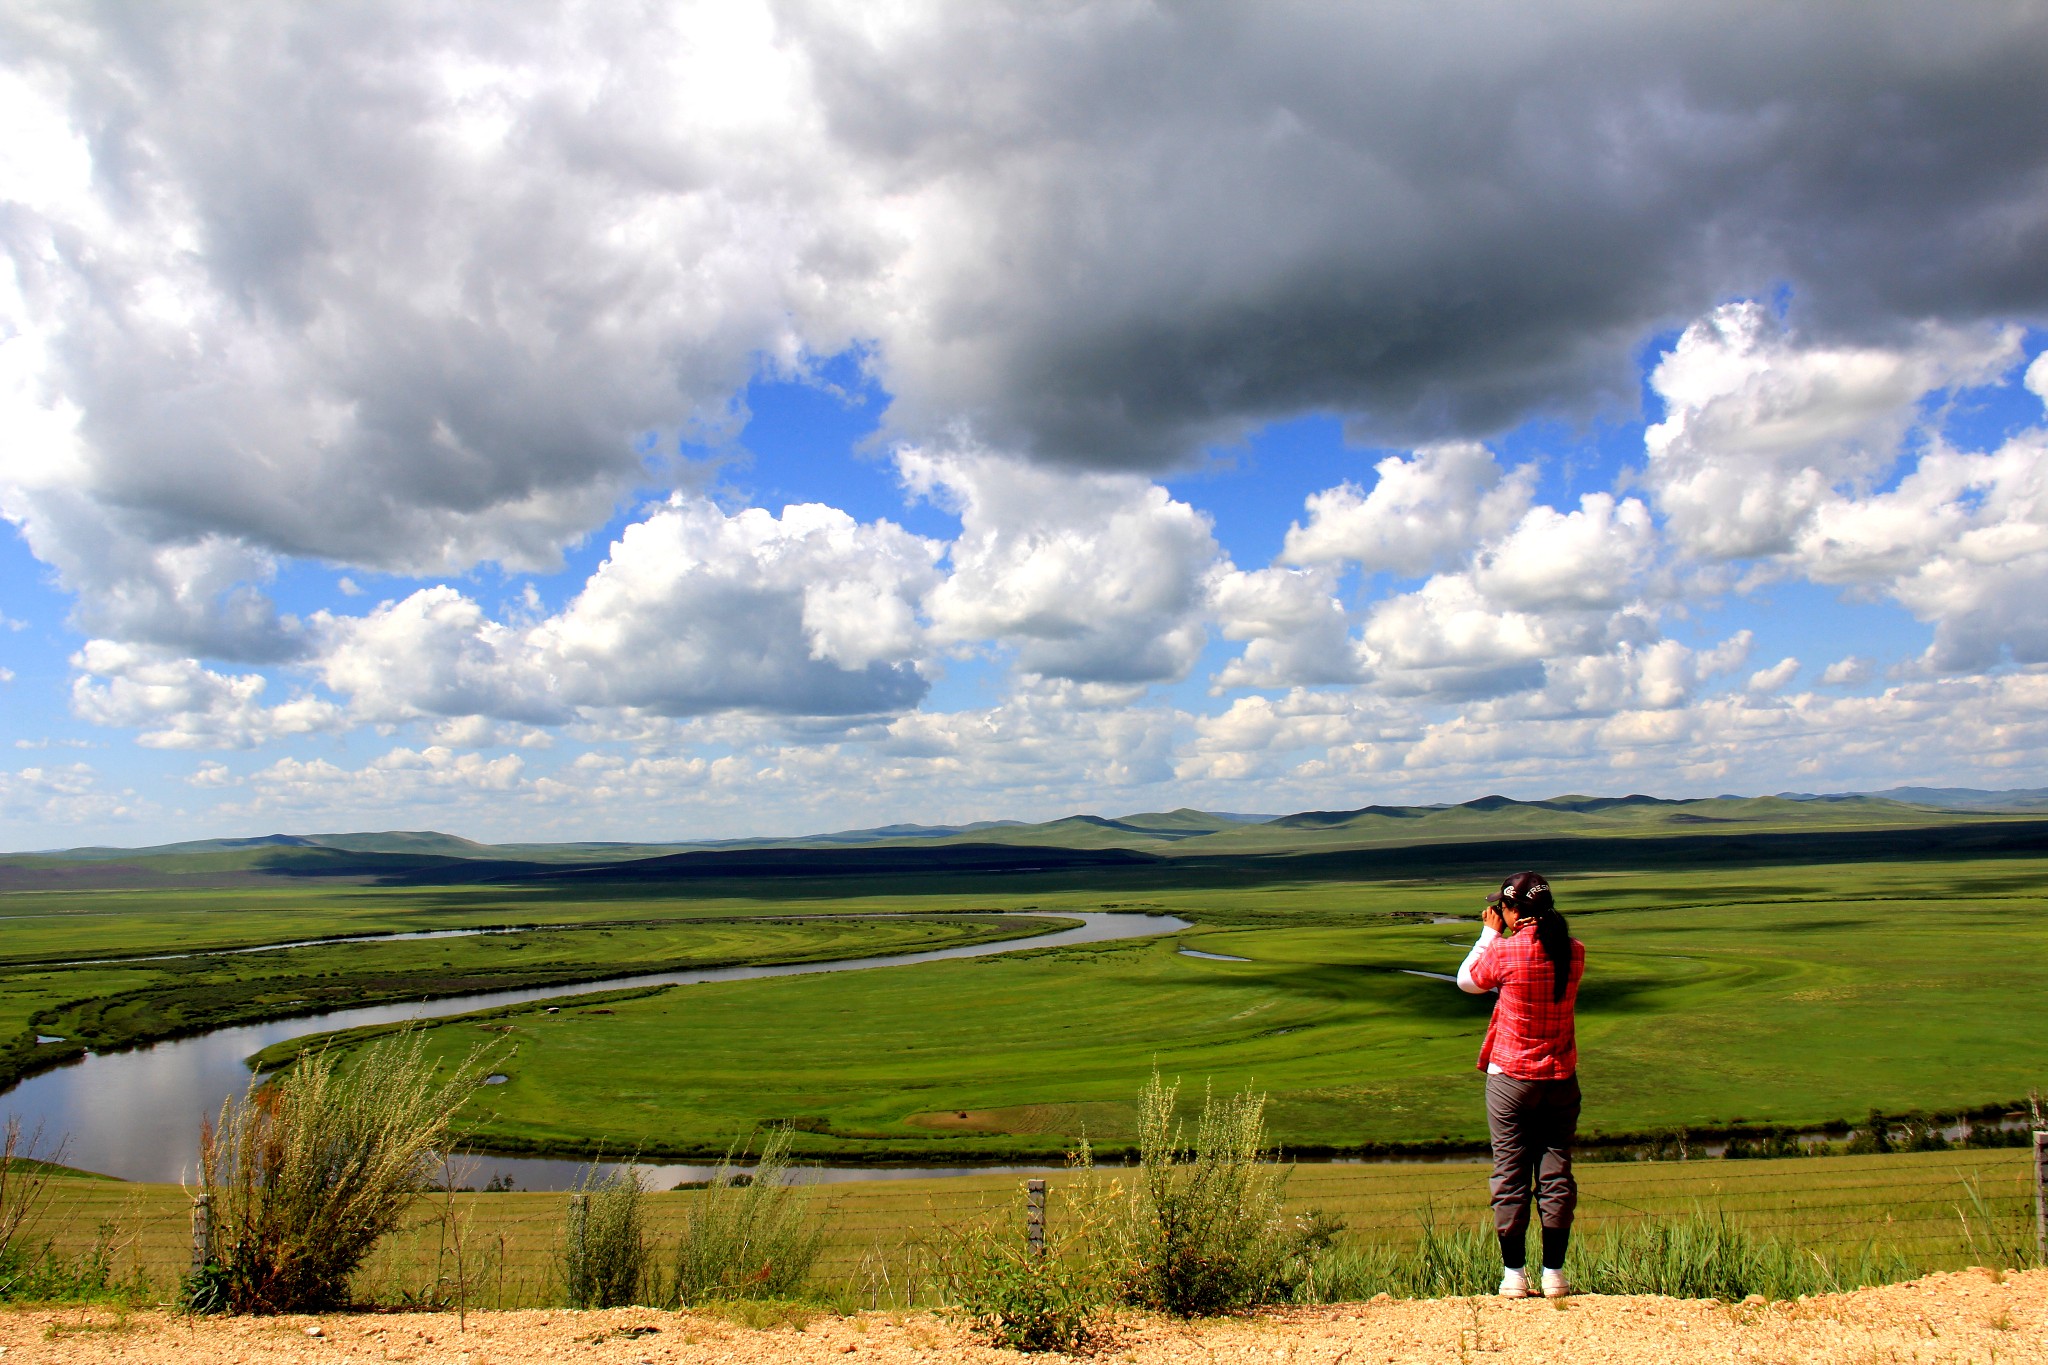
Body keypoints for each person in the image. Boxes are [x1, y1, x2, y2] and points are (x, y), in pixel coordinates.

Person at [1456, 870, 1585, 1300]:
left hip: (1511, 1077)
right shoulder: (1574, 952)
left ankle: (1514, 1275)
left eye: (1503, 906)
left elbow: (1468, 980)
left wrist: (1487, 934)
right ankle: (1555, 1275)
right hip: (1561, 1077)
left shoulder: (1507, 952)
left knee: (1509, 1173)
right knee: (1555, 1173)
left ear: (1512, 911)